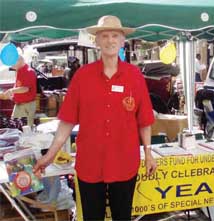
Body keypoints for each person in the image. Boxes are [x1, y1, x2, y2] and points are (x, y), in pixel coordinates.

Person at [33, 15, 157, 221]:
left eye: (115, 35)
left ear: (122, 40)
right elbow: (67, 122)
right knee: (91, 217)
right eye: (105, 36)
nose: (110, 40)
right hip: (90, 163)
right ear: (97, 41)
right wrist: (50, 155)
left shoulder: (134, 76)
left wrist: (149, 153)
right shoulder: (83, 76)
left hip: (124, 161)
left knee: (122, 216)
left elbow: (144, 120)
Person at [3, 51, 37, 126]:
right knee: (15, 126)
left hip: (27, 106)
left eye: (12, 63)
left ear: (19, 61)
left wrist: (11, 91)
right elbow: (19, 86)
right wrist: (13, 96)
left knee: (26, 129)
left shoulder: (29, 72)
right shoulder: (19, 71)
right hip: (20, 105)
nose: (11, 66)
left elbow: (25, 89)